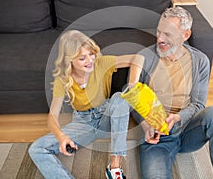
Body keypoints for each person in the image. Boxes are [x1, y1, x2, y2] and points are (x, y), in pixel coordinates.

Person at [132, 7, 213, 179]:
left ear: (185, 35)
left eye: (168, 34)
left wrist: (178, 117)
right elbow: (131, 98)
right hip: (158, 136)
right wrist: (145, 124)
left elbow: (198, 104)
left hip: (188, 128)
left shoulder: (199, 62)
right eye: (159, 31)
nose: (159, 38)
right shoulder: (144, 57)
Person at [29, 30, 144, 179]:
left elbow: (138, 58)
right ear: (69, 61)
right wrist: (61, 136)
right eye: (82, 58)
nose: (90, 60)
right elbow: (52, 115)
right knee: (36, 149)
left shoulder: (101, 63)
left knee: (120, 98)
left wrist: (133, 83)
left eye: (91, 54)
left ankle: (114, 167)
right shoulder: (63, 79)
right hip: (83, 123)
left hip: (106, 116)